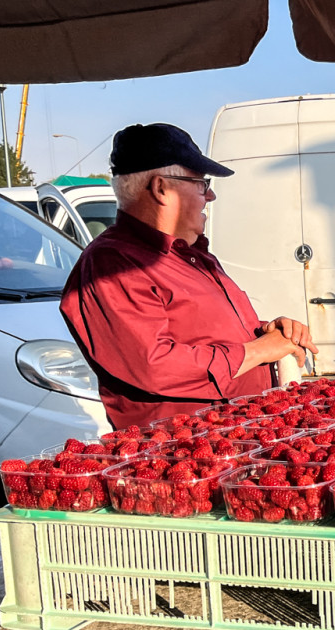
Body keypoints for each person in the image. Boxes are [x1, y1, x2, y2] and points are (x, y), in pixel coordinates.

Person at [61, 123, 316, 430]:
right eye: (200, 183)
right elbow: (152, 364)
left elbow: (203, 335)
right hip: (178, 456)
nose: (210, 195)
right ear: (161, 189)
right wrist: (259, 350)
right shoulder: (113, 263)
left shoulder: (192, 255)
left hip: (236, 439)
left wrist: (265, 332)